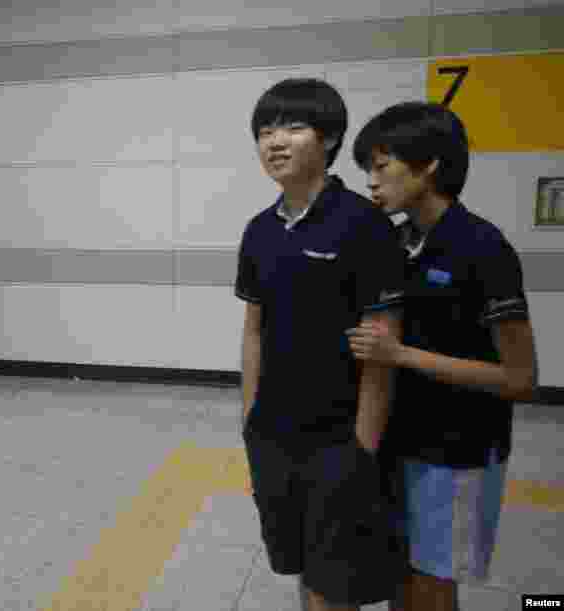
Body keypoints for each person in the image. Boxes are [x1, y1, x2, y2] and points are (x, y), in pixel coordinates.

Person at [346, 102, 539, 611]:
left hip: (458, 451)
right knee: (397, 575)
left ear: (429, 163)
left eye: (381, 166)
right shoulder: (393, 241)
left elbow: (521, 378)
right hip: (397, 441)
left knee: (433, 586)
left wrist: (400, 354)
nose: (370, 181)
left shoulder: (482, 248)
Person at [235, 78, 406, 610]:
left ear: (329, 139)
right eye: (265, 130)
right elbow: (254, 329)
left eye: (292, 127)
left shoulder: (365, 225)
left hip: (338, 442)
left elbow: (383, 345)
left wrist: (362, 449)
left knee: (337, 582)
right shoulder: (259, 230)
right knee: (300, 564)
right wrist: (250, 419)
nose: (275, 141)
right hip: (272, 436)